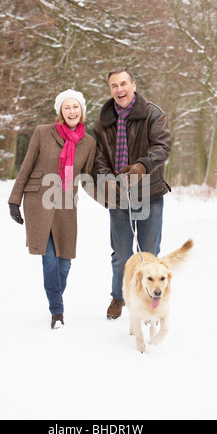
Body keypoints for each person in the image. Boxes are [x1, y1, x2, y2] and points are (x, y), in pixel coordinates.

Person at [8, 90, 96, 329]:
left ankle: (54, 297)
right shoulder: (42, 132)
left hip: (66, 204)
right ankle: (57, 311)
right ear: (60, 111)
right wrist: (14, 200)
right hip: (39, 201)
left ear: (82, 110)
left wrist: (114, 201)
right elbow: (26, 166)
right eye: (67, 107)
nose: (72, 111)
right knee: (49, 261)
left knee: (64, 262)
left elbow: (88, 179)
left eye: (75, 107)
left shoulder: (88, 143)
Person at [92, 68, 172, 320]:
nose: (119, 89)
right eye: (114, 86)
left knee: (149, 252)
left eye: (123, 83)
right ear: (110, 90)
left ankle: (150, 300)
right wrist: (107, 180)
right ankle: (118, 297)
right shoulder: (103, 121)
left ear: (133, 85)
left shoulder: (152, 113)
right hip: (119, 195)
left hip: (149, 192)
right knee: (121, 253)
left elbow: (162, 147)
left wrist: (141, 166)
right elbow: (98, 157)